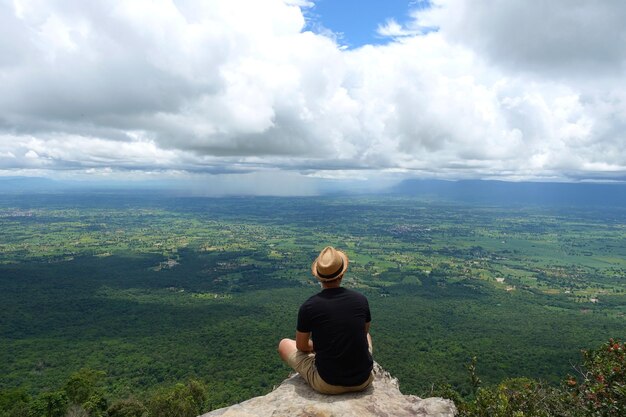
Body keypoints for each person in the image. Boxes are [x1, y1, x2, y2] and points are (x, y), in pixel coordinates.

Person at [277, 246, 374, 394]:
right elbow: (364, 332)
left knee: (284, 344)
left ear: (318, 276)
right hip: (363, 380)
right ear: (342, 274)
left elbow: (301, 346)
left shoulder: (309, 307)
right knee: (366, 336)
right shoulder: (361, 300)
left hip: (328, 383)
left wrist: (321, 346)